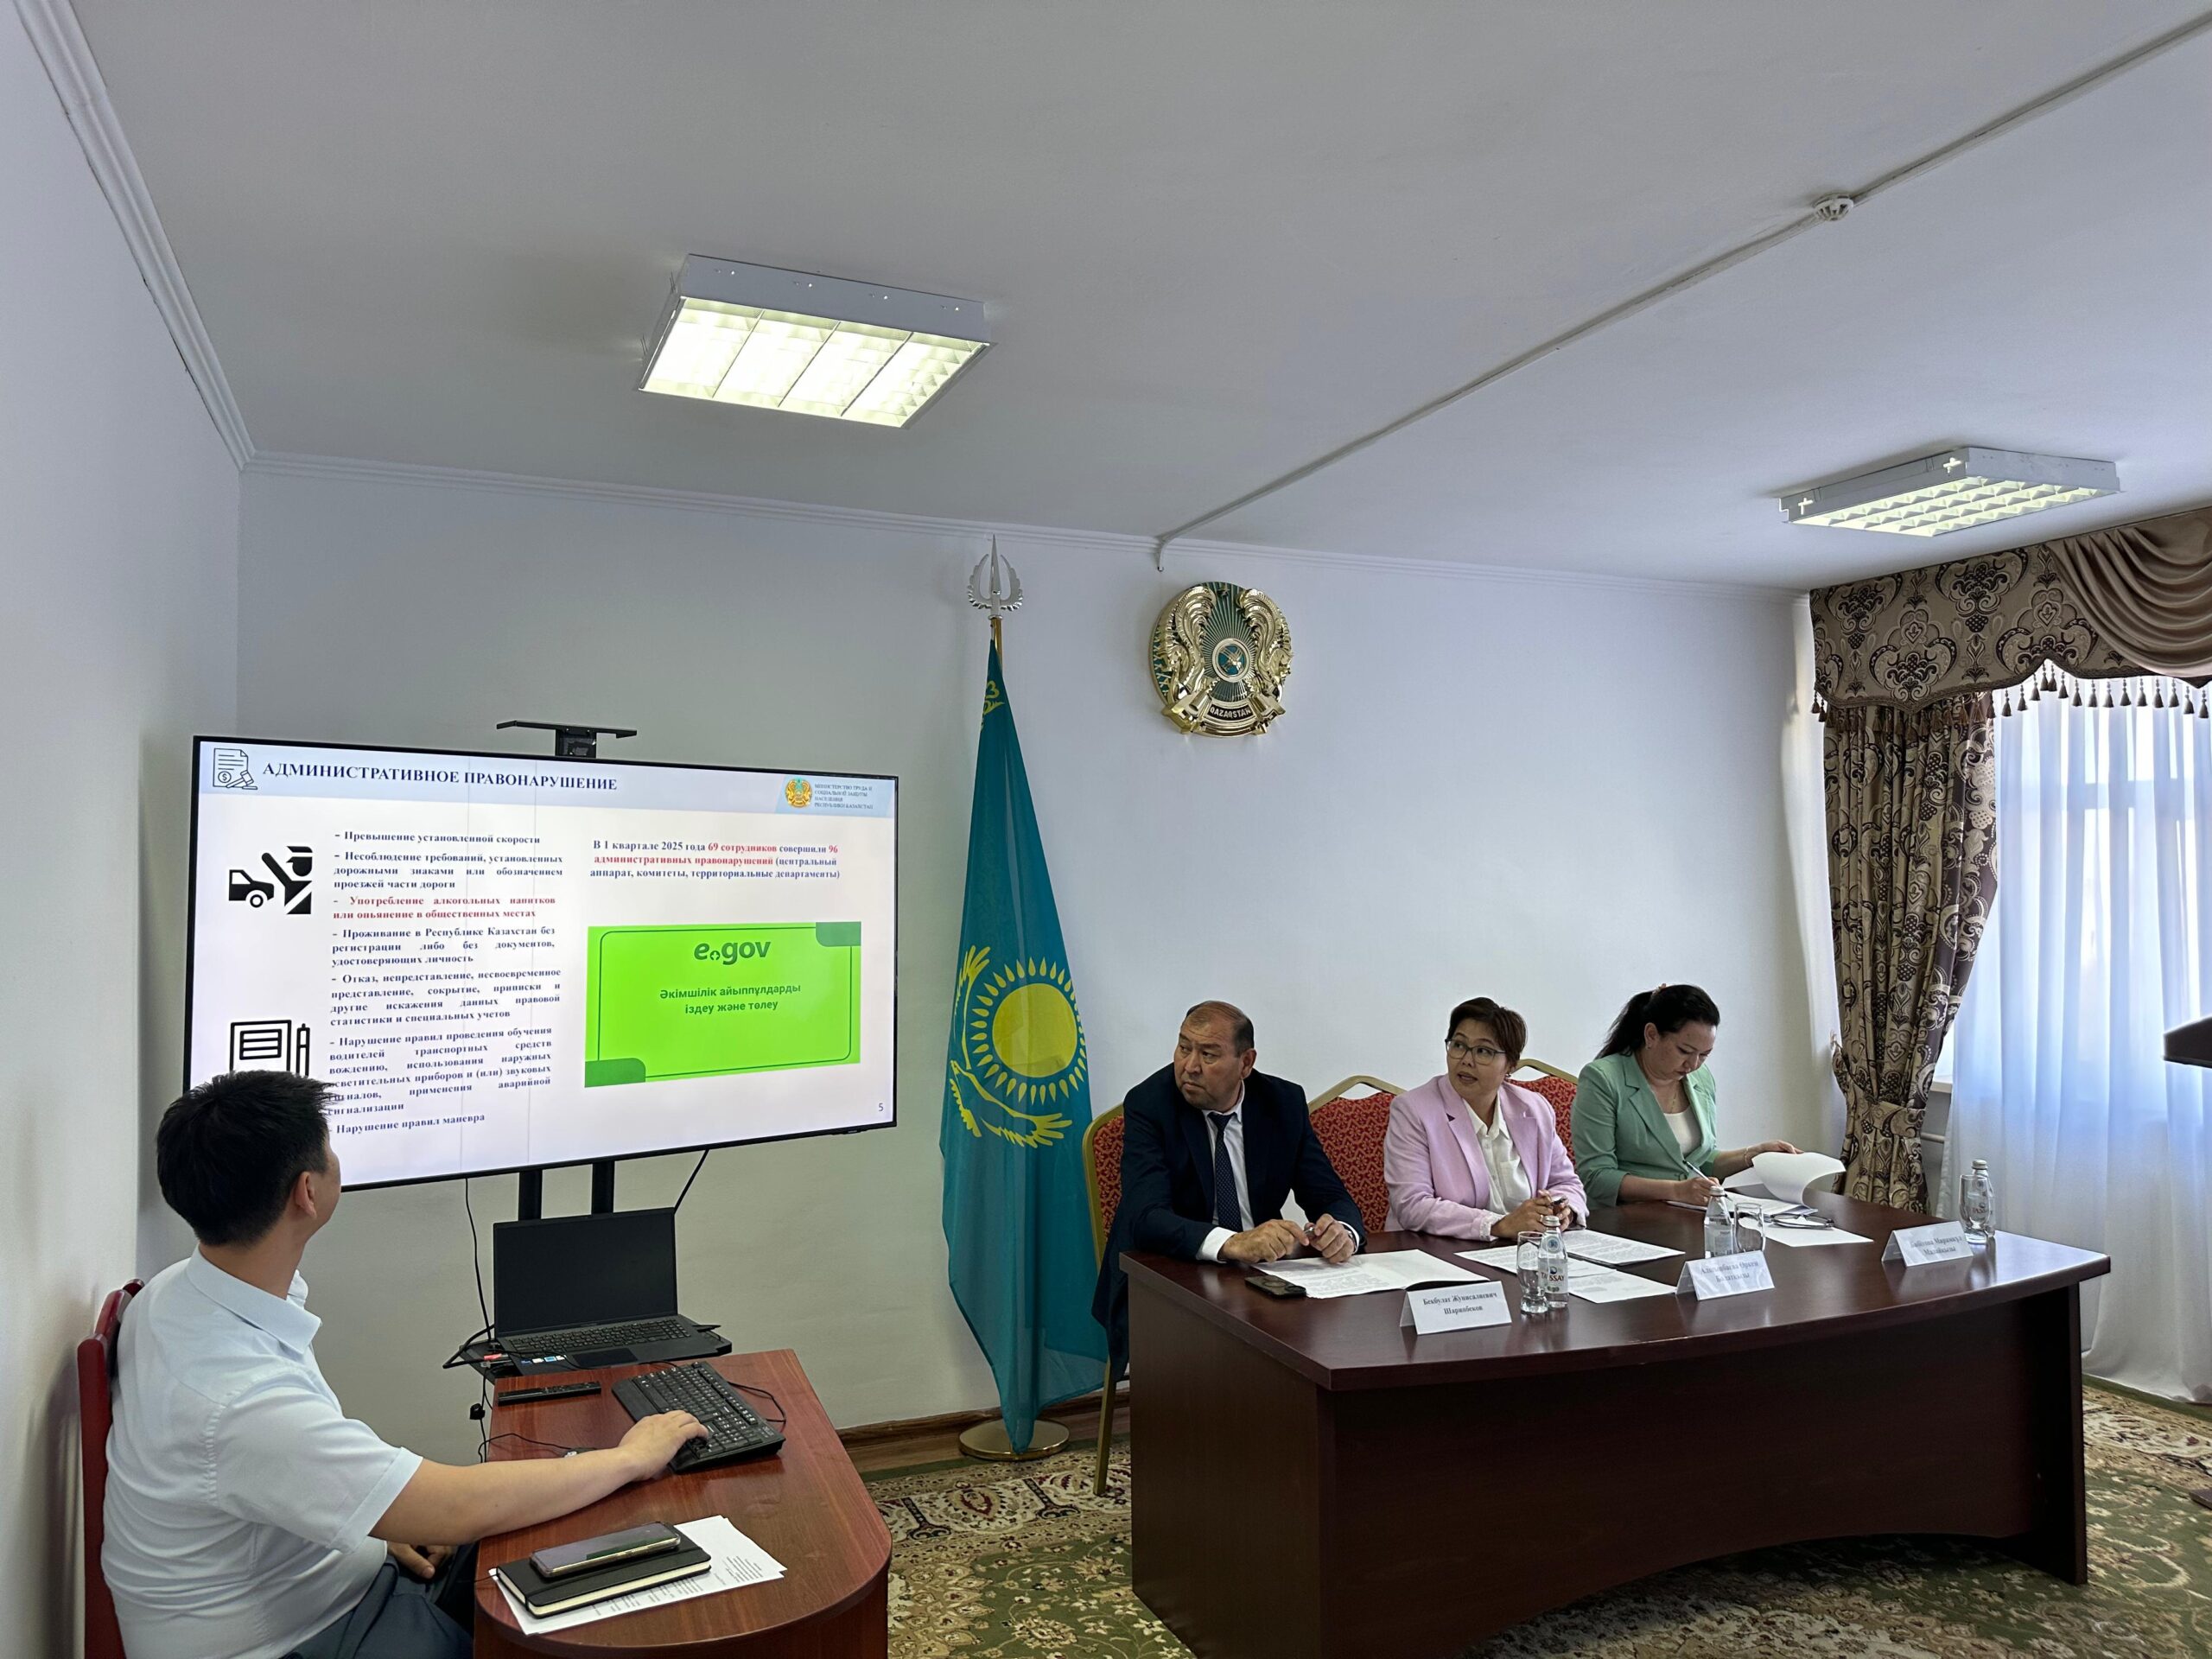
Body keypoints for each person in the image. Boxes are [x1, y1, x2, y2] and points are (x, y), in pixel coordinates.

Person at [104, 1071, 710, 1659]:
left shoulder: (179, 1292)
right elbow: (453, 1507)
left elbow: (272, 1481)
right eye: (329, 1149)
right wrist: (629, 1458)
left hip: (313, 1590)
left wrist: (363, 1523)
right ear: (307, 1192)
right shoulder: (238, 1401)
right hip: (298, 1639)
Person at [1090, 1001, 1363, 1367]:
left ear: (1246, 1063)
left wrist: (1342, 1231)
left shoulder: (1282, 1103)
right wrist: (1232, 1243)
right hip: (1171, 1274)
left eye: (1209, 1054)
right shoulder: (1150, 1104)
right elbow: (1146, 1217)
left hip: (1259, 1279)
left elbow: (1329, 1195)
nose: (1190, 1066)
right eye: (1184, 1048)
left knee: (1334, 1341)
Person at [1571, 983, 1798, 1206]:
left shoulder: (1701, 1078)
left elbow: (1700, 1162)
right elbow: (1597, 1177)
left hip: (1687, 1213)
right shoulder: (1603, 1079)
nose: (1693, 1064)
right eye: (1684, 1051)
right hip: (1626, 1216)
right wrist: (1677, 1190)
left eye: (1704, 1055)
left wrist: (1755, 1154)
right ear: (1651, 1035)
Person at [1384, 996, 1586, 1239]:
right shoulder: (1413, 1110)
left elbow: (1567, 1183)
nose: (1466, 1060)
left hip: (1524, 1248)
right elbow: (1412, 1205)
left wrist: (1562, 1210)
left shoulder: (1534, 1109)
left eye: (1483, 1051)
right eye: (1459, 1045)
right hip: (1437, 1249)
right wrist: (1497, 1225)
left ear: (1510, 1065)